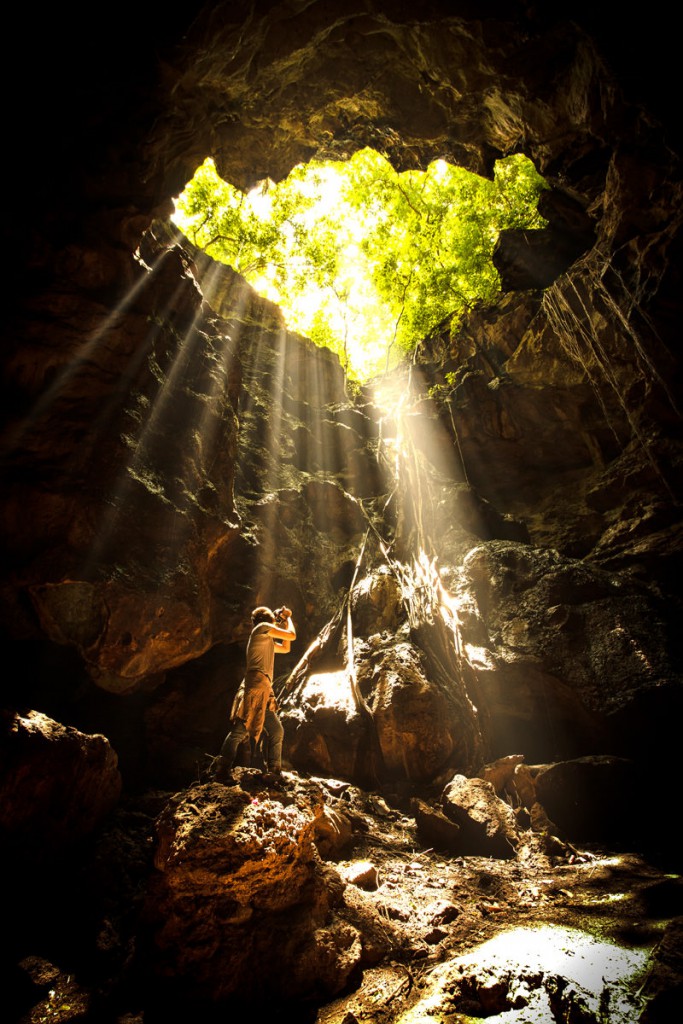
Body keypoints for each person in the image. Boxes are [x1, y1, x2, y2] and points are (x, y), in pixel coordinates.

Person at [213, 605, 296, 784]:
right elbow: (292, 635)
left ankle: (274, 770)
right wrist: (287, 618)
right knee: (239, 731)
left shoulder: (265, 638)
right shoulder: (261, 628)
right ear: (268, 621)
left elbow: (286, 646)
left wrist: (281, 621)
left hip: (263, 689)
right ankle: (222, 770)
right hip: (256, 687)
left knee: (276, 730)